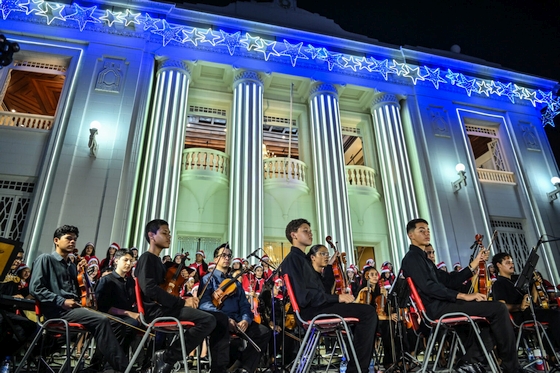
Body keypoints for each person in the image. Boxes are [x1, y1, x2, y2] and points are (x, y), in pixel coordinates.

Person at [401, 218, 524, 373]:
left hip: (442, 304)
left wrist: (475, 263)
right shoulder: (412, 258)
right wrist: (463, 296)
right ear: (411, 235)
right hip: (437, 308)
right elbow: (429, 287)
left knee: (492, 316)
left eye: (428, 230)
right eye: (421, 230)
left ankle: (469, 361)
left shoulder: (424, 260)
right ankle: (511, 367)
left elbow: (450, 280)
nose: (427, 233)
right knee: (499, 309)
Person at [29, 225, 131, 372]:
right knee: (101, 320)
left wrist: (82, 274)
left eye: (75, 239)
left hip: (72, 309)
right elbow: (35, 288)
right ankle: (123, 368)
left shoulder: (71, 266)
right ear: (56, 240)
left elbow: (78, 292)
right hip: (57, 310)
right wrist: (61, 301)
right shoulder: (46, 259)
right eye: (68, 238)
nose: (73, 242)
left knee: (117, 323)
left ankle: (97, 367)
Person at [281, 218, 377, 373]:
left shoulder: (303, 260)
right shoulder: (293, 260)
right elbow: (304, 297)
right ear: (294, 235)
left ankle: (357, 366)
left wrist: (331, 267)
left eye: (310, 230)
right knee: (368, 313)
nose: (310, 233)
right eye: (305, 230)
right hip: (310, 311)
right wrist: (338, 298)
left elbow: (322, 290)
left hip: (318, 307)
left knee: (364, 313)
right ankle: (357, 369)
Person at [135, 219, 229, 373]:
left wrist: (183, 294)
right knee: (208, 320)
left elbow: (166, 288)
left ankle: (219, 369)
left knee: (221, 318)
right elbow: (150, 289)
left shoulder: (160, 262)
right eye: (165, 233)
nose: (169, 236)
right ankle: (167, 357)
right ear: (151, 235)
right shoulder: (146, 258)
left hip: (166, 308)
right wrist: (182, 302)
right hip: (156, 311)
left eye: (169, 233)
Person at [200, 244, 271, 372]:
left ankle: (244, 368)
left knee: (264, 332)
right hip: (221, 319)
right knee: (220, 326)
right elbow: (204, 304)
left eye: (229, 256)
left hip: (238, 320)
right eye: (223, 255)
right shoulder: (208, 279)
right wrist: (225, 319)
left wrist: (245, 320)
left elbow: (244, 305)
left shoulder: (236, 283)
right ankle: (219, 369)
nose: (227, 258)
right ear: (215, 259)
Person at [491, 252, 560, 354]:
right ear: (499, 265)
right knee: (556, 316)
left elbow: (533, 300)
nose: (512, 264)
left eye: (512, 262)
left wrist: (535, 285)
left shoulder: (518, 279)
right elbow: (501, 306)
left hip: (532, 311)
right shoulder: (498, 284)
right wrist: (519, 307)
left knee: (555, 315)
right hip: (519, 316)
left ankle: (551, 353)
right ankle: (552, 352)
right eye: (508, 262)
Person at [95, 248, 142, 356]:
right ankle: (112, 361)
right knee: (130, 326)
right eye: (125, 260)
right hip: (109, 317)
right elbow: (102, 307)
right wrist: (128, 313)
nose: (129, 263)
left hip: (126, 317)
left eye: (131, 261)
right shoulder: (106, 280)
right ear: (116, 261)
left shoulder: (130, 281)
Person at [0, 248, 37, 361]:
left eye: (20, 258)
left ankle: (5, 356)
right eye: (16, 258)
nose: (17, 261)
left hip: (7, 312)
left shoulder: (14, 279)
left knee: (30, 326)